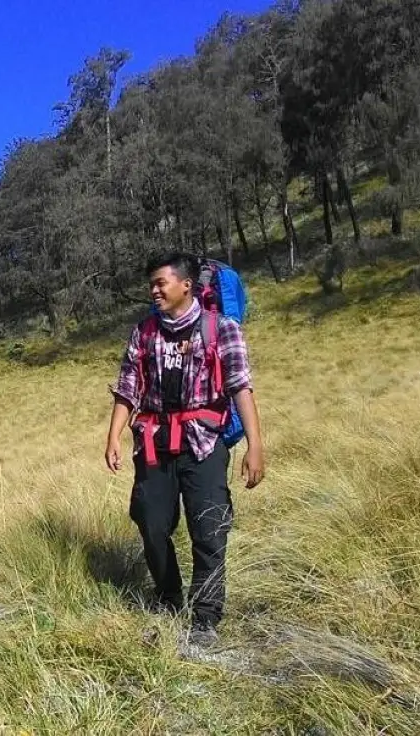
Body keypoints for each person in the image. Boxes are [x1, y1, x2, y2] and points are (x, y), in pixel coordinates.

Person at [104, 251, 265, 646]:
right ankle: (169, 597)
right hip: (155, 442)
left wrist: (255, 446)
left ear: (186, 285)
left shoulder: (221, 329)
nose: (154, 290)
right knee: (151, 522)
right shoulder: (144, 333)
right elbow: (128, 388)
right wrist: (113, 436)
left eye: (161, 283)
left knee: (208, 527)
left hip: (204, 443)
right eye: (152, 284)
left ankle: (206, 616)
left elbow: (240, 388)